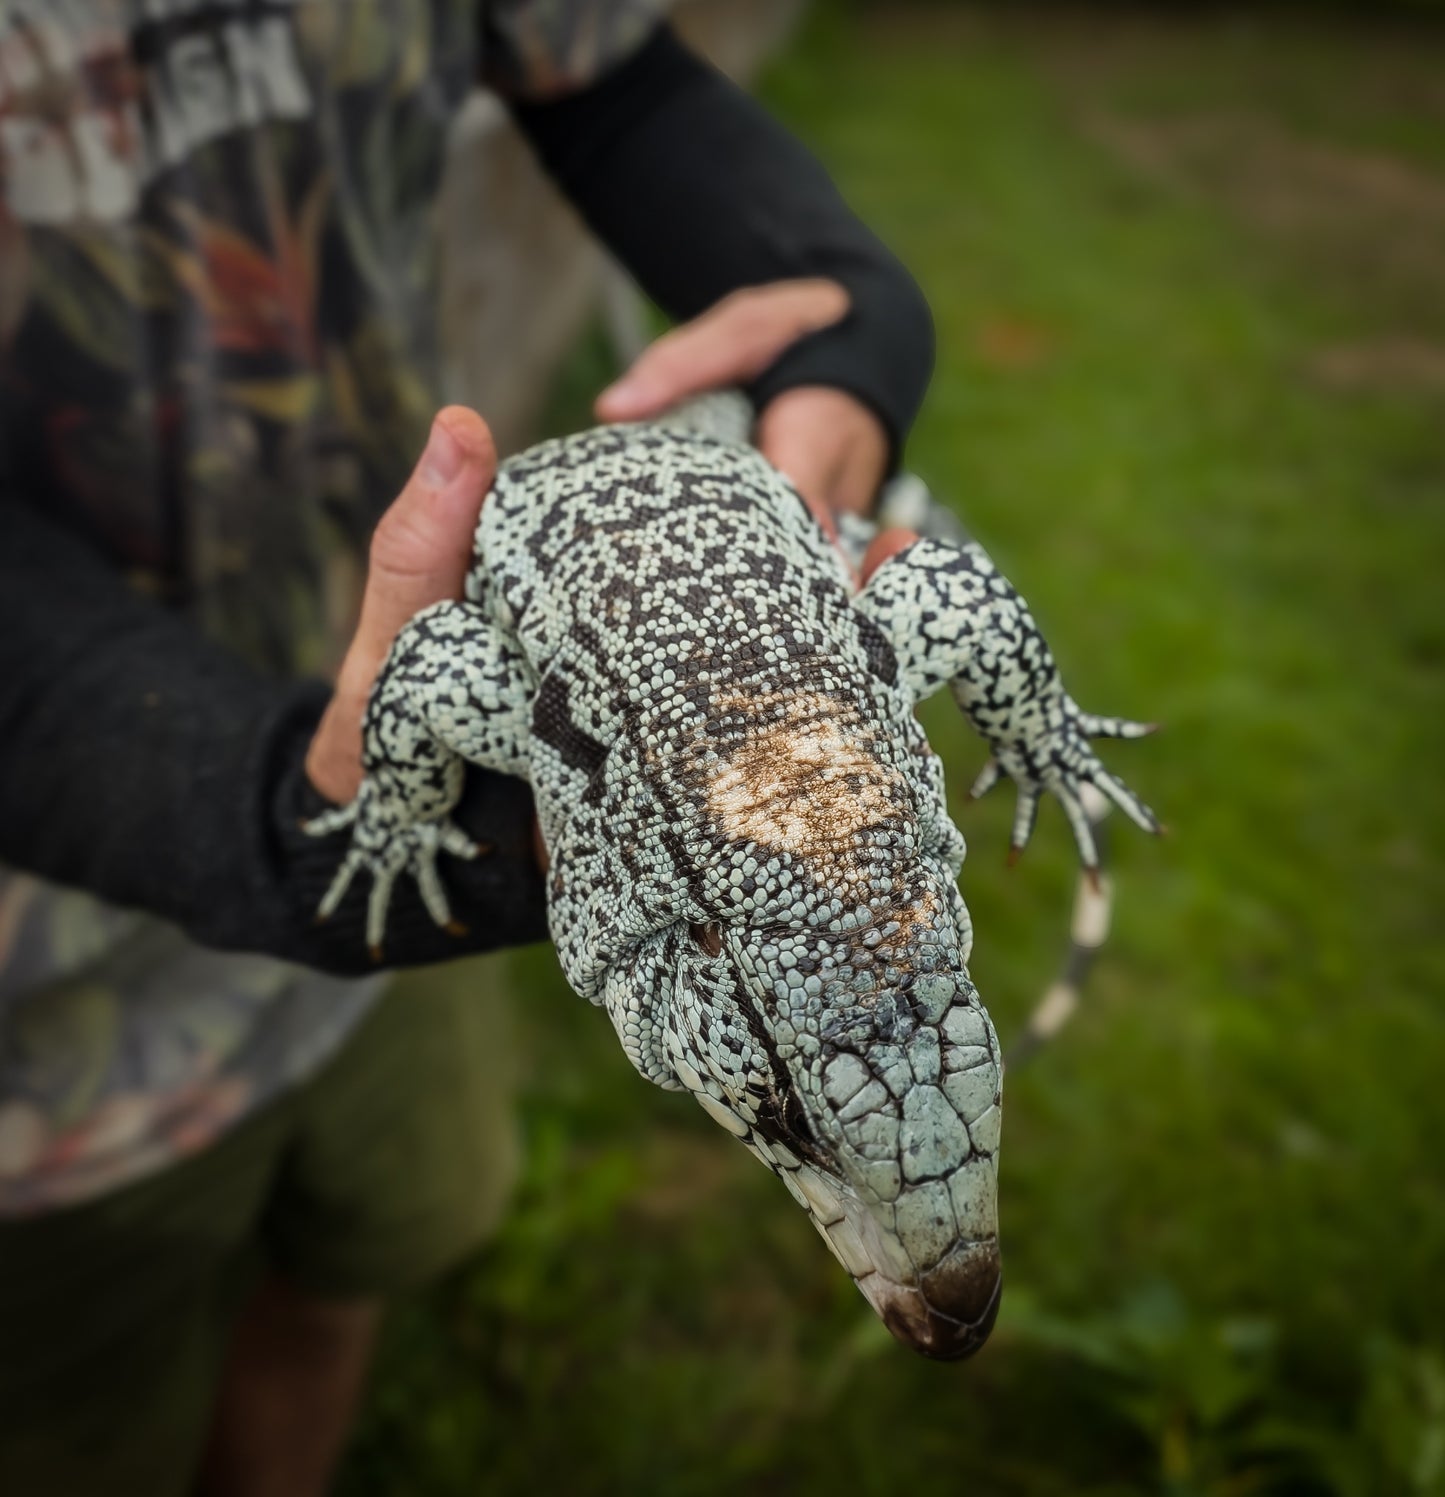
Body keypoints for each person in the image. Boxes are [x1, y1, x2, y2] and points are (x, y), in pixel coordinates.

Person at [0, 3, 934, 1493]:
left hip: (414, 864)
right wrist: (261, 811)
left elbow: (607, 82)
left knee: (344, 1281)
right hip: (50, 1043)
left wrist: (833, 298)